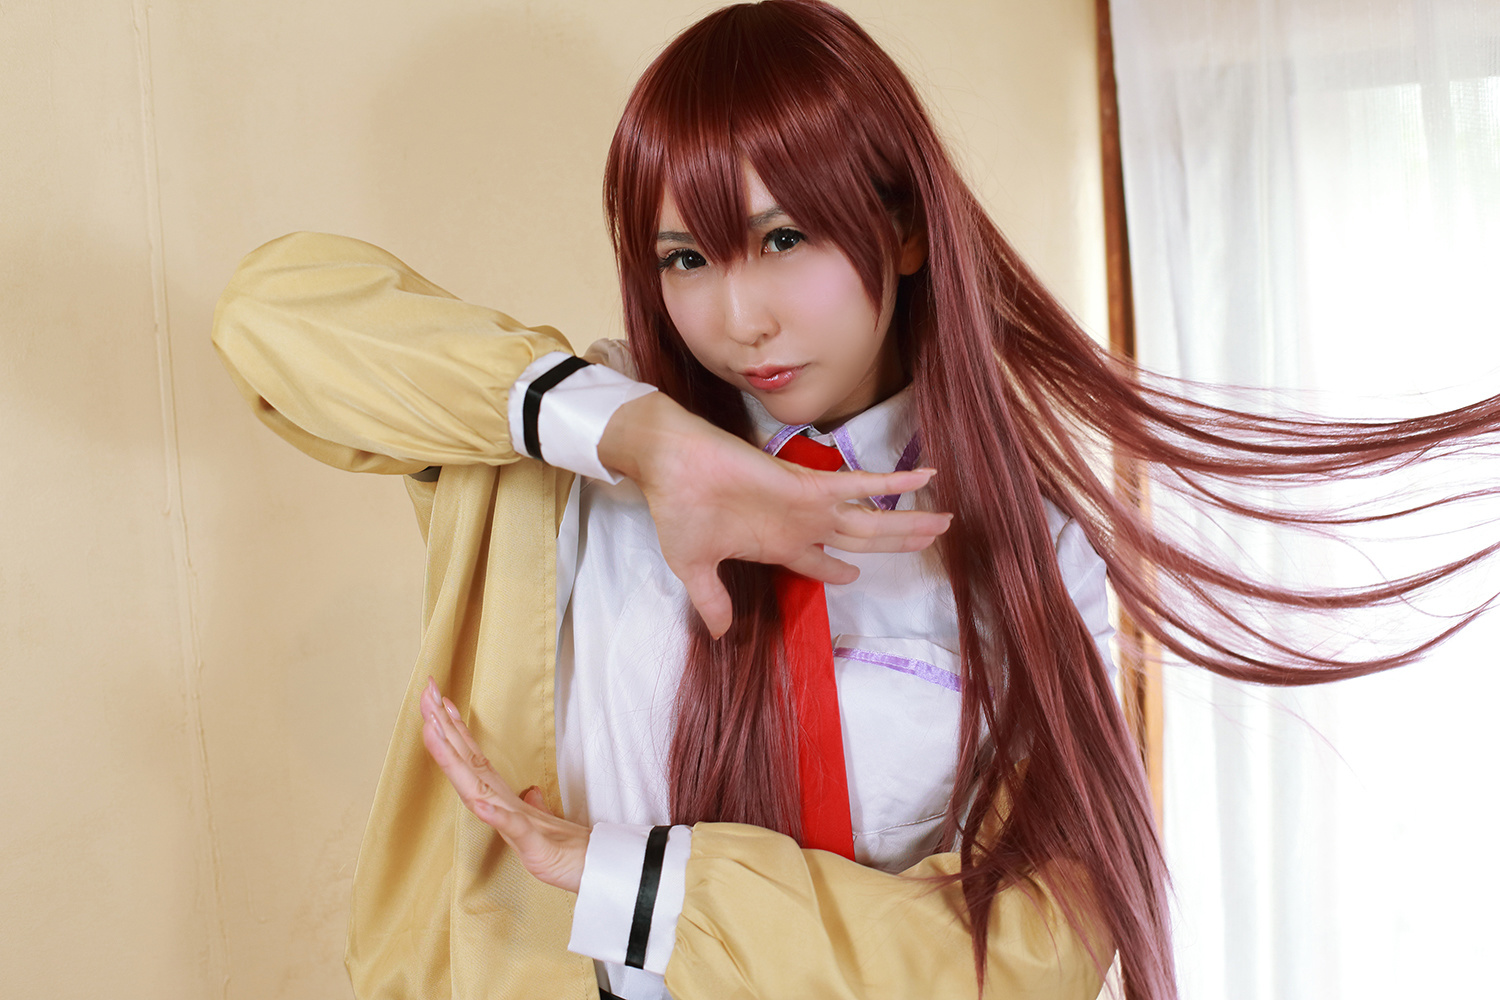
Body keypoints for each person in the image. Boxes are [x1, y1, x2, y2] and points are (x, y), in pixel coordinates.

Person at [211, 2, 1500, 999]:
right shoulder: (561, 459)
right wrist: (645, 442)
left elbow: (1030, 956)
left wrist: (636, 884)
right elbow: (271, 316)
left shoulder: (1031, 548)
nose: (739, 316)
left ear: (903, 230)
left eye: (784, 239)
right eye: (685, 258)